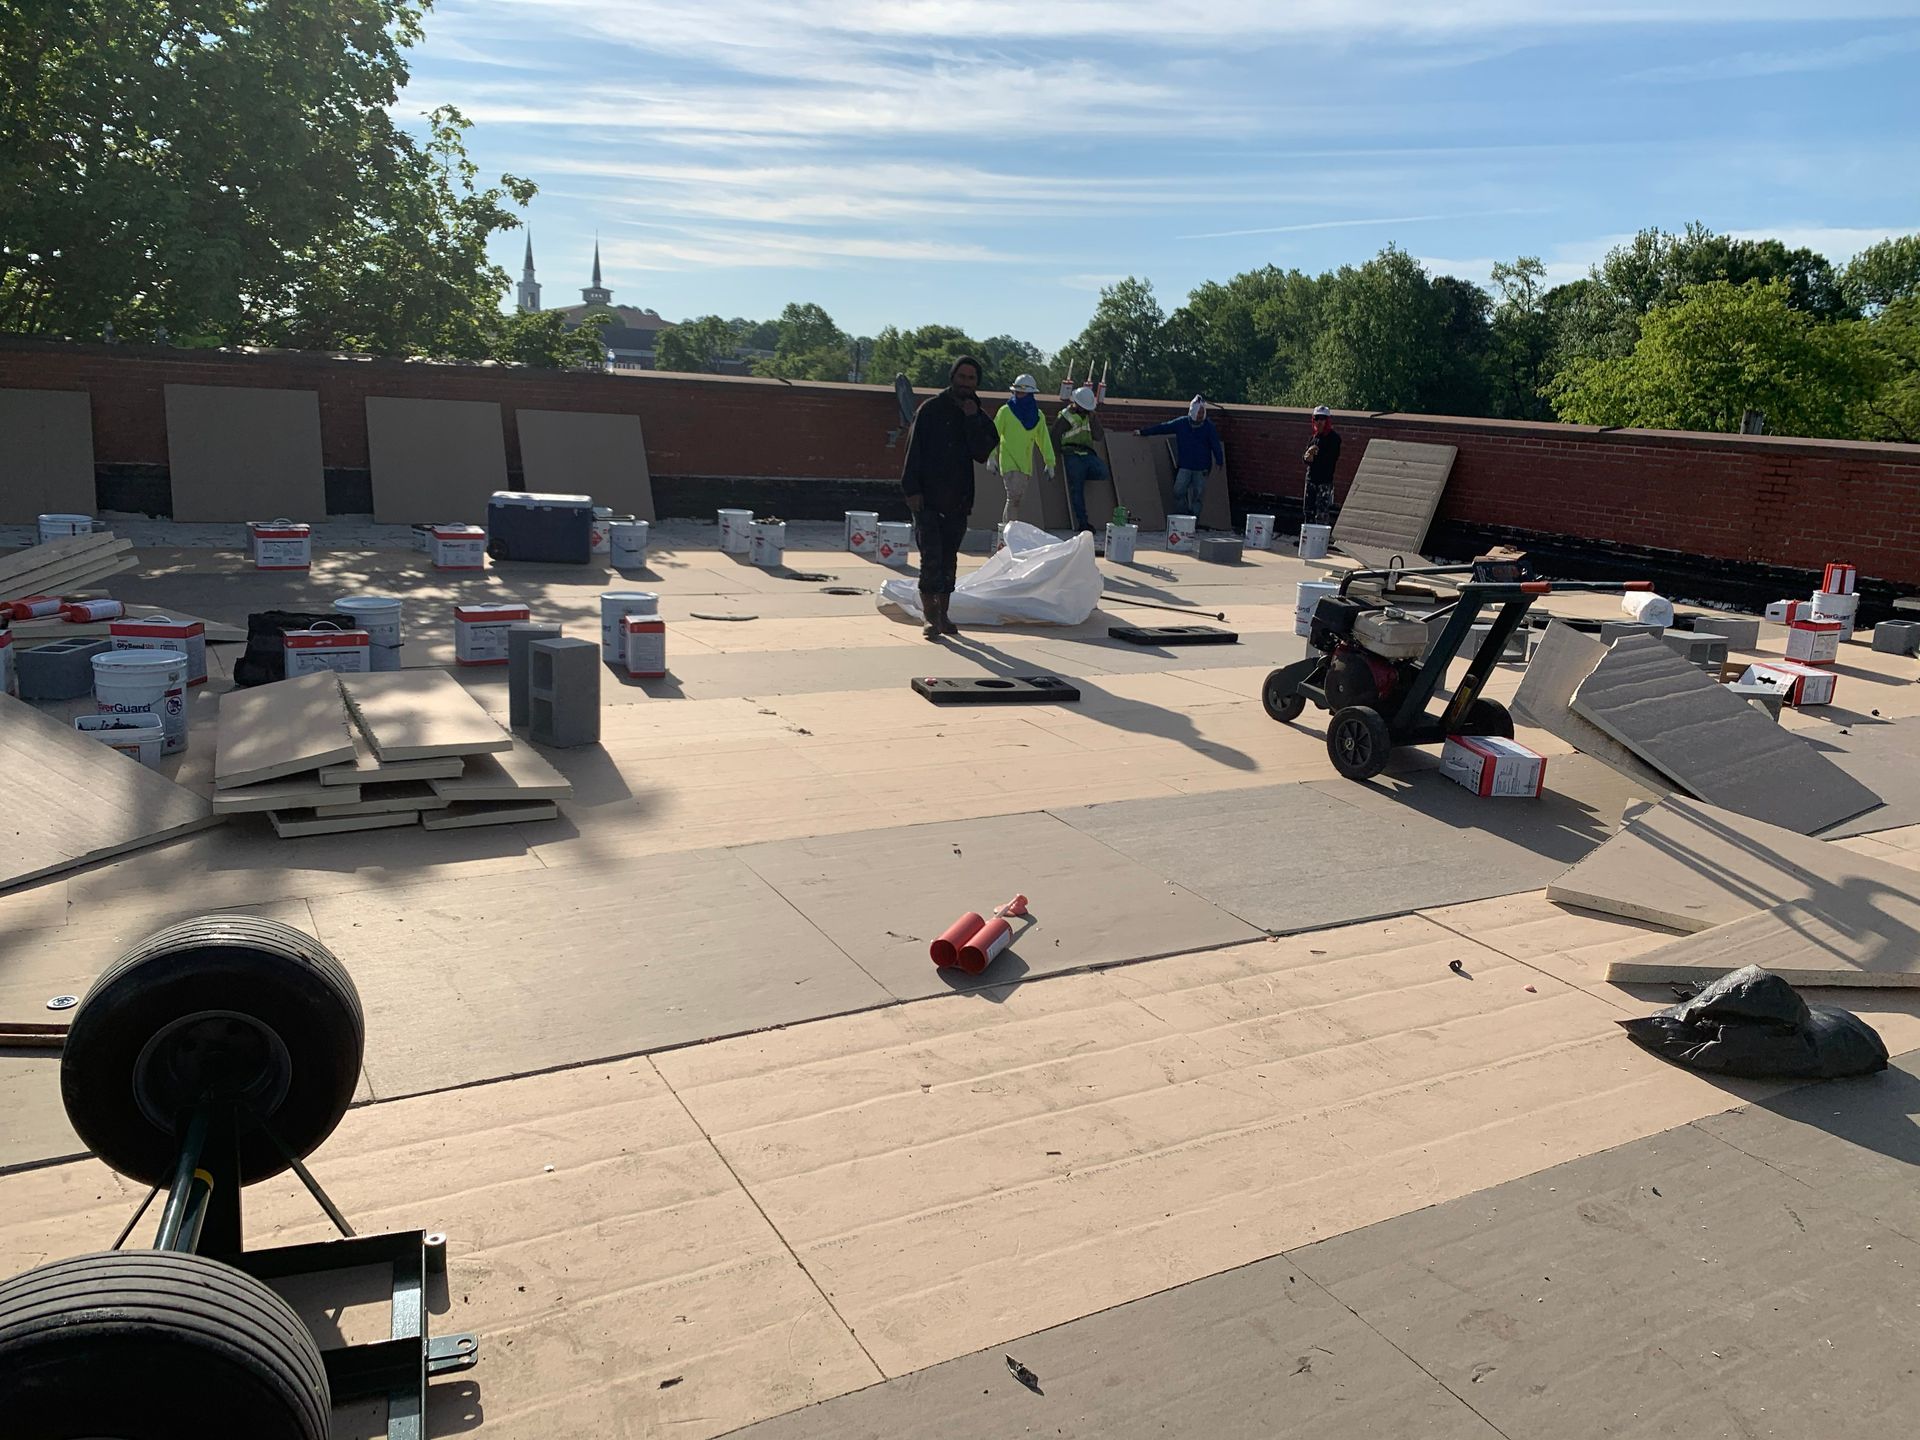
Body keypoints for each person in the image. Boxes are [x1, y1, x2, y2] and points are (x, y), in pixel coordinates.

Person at [900, 354, 997, 640]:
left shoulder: (976, 413)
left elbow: (982, 452)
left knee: (949, 558)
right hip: (927, 498)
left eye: (971, 378)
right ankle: (930, 619)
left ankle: (944, 614)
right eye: (962, 377)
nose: (966, 382)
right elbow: (912, 450)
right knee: (931, 558)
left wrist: (970, 419)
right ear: (952, 377)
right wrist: (911, 490)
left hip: (958, 499)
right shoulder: (930, 410)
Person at [991, 374, 1056, 545]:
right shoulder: (1005, 412)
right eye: (1016, 392)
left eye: (1022, 393)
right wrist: (991, 457)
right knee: (1013, 497)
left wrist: (1050, 462)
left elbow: (1044, 440)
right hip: (1009, 462)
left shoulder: (1037, 416)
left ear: (1030, 394)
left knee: (1017, 499)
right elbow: (993, 435)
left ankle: (1008, 534)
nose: (1018, 395)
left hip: (1025, 465)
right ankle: (1007, 535)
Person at [1138, 395, 1224, 520]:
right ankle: (1182, 517)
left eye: (1202, 412)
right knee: (1178, 491)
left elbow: (1215, 444)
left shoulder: (1208, 426)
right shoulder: (1182, 423)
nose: (1201, 415)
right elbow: (1163, 427)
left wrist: (1219, 460)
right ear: (1193, 411)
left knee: (1198, 495)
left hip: (1202, 467)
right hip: (1185, 465)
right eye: (1199, 412)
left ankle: (1193, 520)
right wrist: (1143, 432)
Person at [1051, 385, 1108, 535]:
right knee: (1077, 489)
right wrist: (1059, 454)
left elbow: (1098, 436)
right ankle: (1083, 523)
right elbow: (1054, 436)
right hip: (1071, 454)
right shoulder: (1066, 416)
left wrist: (1094, 418)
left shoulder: (1090, 416)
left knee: (1102, 472)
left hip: (1087, 453)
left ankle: (1082, 476)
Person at [1302, 404, 1342, 529]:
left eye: (1322, 419)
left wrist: (1317, 455)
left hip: (1324, 481)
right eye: (1317, 418)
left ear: (1327, 421)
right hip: (1311, 480)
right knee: (1308, 510)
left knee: (1322, 513)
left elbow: (1331, 460)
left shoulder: (1334, 439)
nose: (1319, 422)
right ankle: (1307, 538)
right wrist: (1306, 456)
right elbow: (1306, 459)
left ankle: (1319, 541)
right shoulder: (1313, 438)